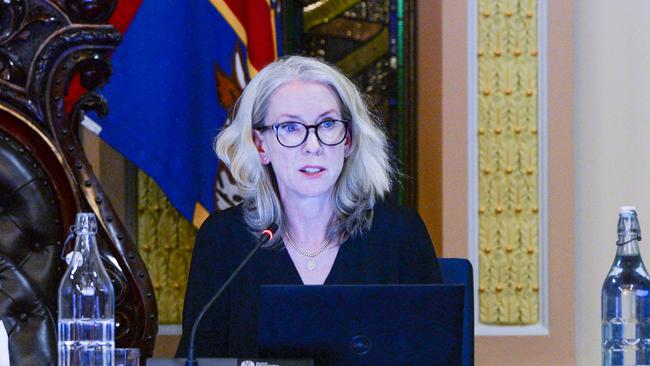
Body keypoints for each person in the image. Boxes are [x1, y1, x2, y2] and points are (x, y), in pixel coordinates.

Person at [176, 55, 442, 358]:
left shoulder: (400, 236)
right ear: (261, 145)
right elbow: (198, 357)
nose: (312, 145)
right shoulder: (223, 240)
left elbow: (436, 356)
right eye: (290, 127)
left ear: (348, 140)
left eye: (327, 124)